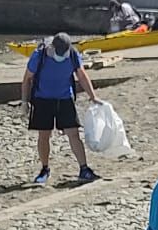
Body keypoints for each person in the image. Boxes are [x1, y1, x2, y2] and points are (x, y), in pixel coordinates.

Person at [20, 33, 99, 186]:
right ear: (52, 47)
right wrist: (24, 102)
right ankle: (45, 169)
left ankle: (84, 169)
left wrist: (93, 96)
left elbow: (81, 75)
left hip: (64, 98)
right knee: (44, 135)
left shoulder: (73, 54)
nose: (62, 55)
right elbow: (27, 79)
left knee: (73, 134)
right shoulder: (39, 55)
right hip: (42, 99)